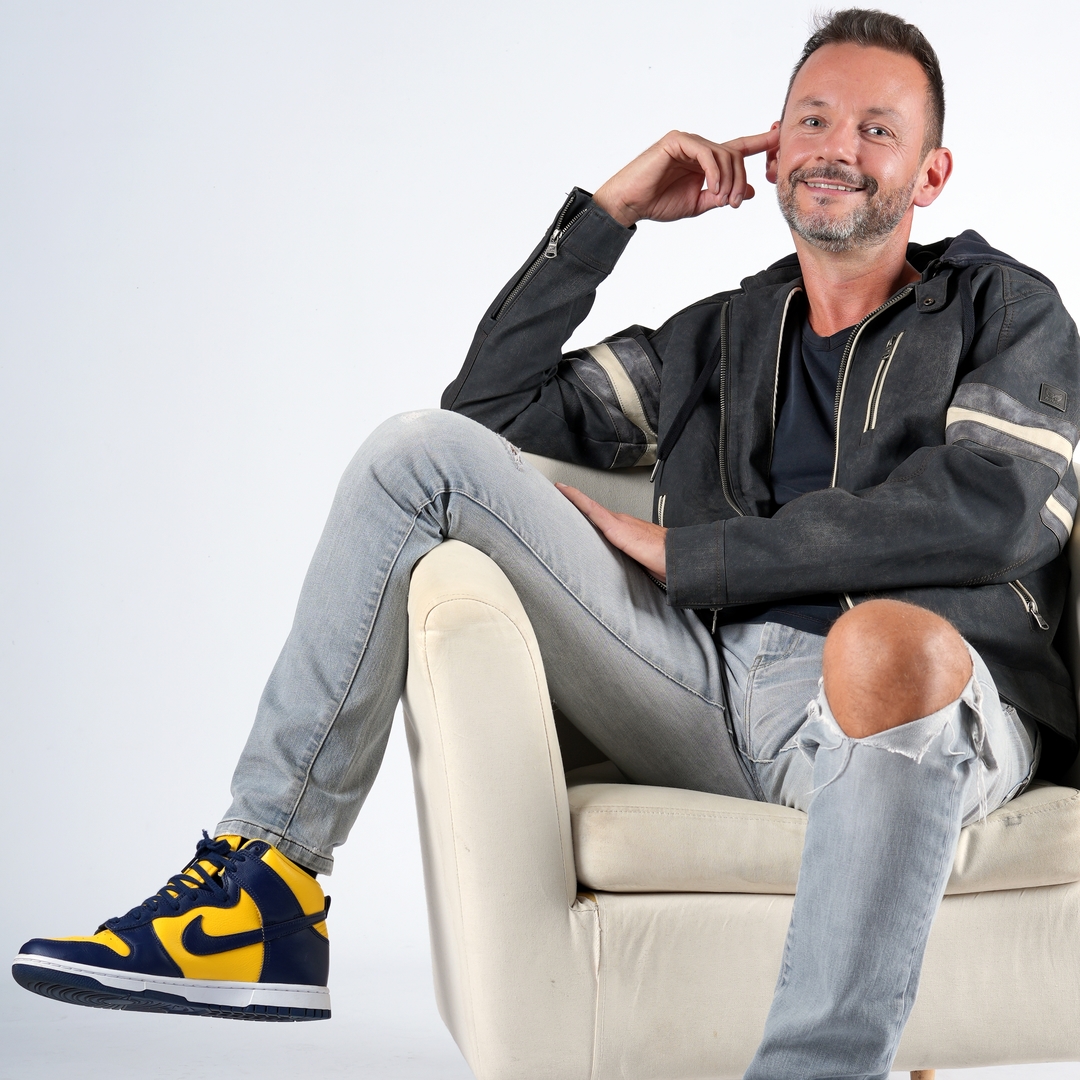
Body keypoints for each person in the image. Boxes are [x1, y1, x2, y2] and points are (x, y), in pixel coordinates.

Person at [12, 7, 1079, 1077]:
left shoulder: (1001, 308)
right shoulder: (721, 336)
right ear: (773, 150)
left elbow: (998, 505)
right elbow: (486, 415)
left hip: (919, 699)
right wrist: (610, 216)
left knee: (881, 646)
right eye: (813, 119)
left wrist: (701, 559)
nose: (837, 146)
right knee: (415, 455)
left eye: (877, 129)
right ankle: (265, 886)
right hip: (710, 693)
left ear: (930, 174)